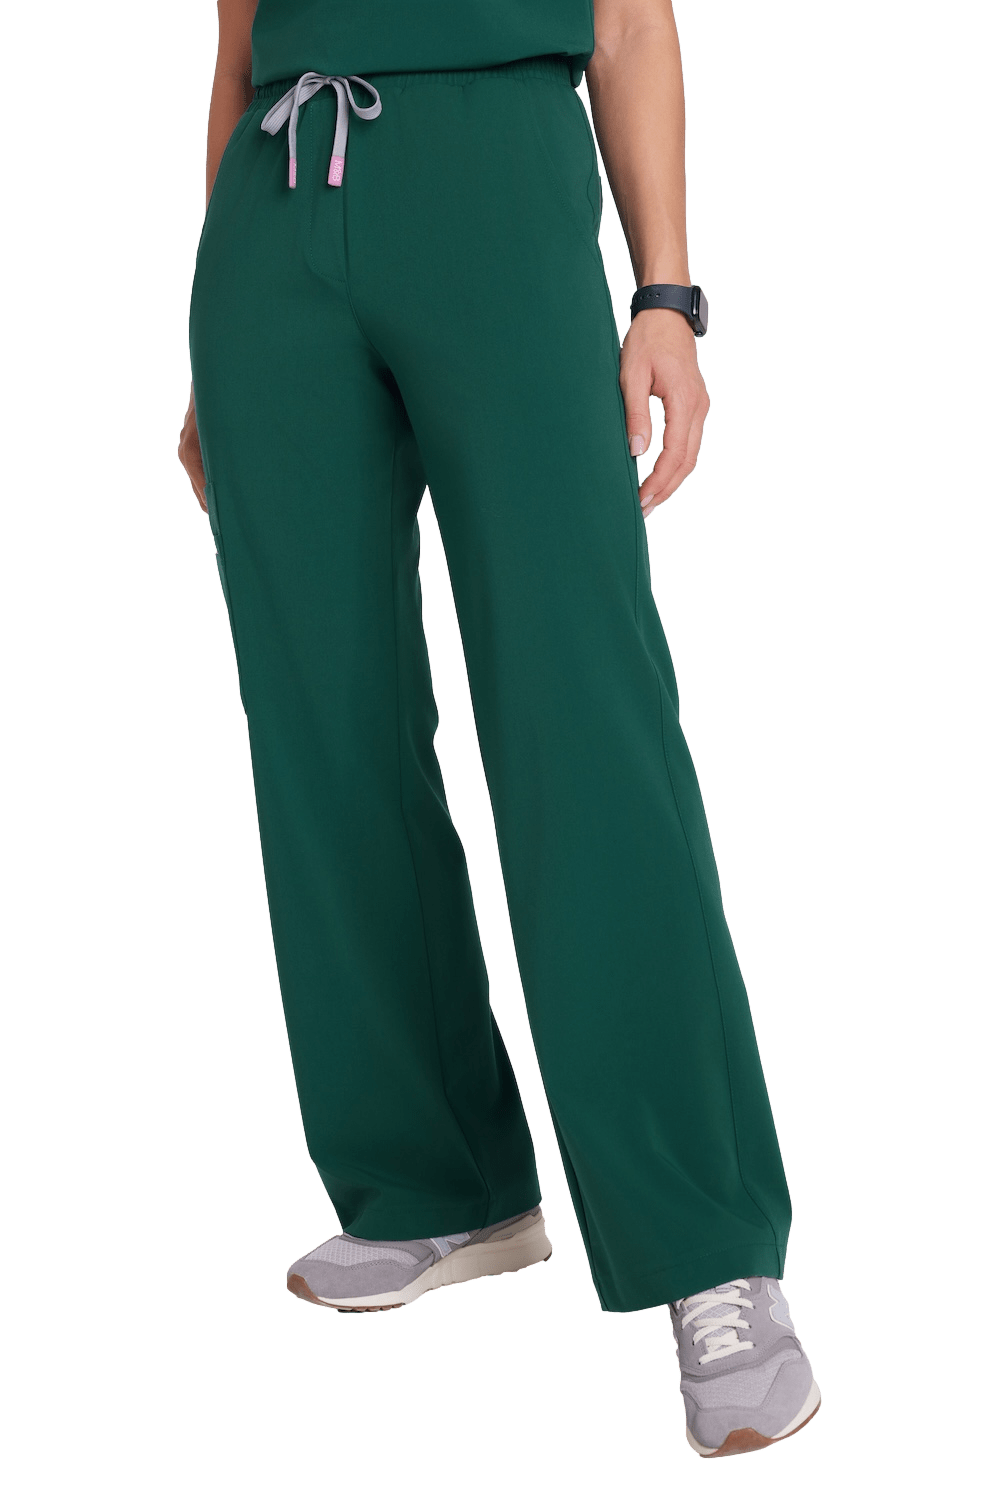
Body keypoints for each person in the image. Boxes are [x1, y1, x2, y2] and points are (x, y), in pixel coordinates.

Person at [178, 0, 820, 1459]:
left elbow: (631, 22)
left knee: (581, 712)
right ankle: (435, 1181)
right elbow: (233, 41)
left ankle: (711, 1244)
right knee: (320, 726)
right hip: (276, 209)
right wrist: (212, 320)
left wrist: (666, 297)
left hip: (497, 173)